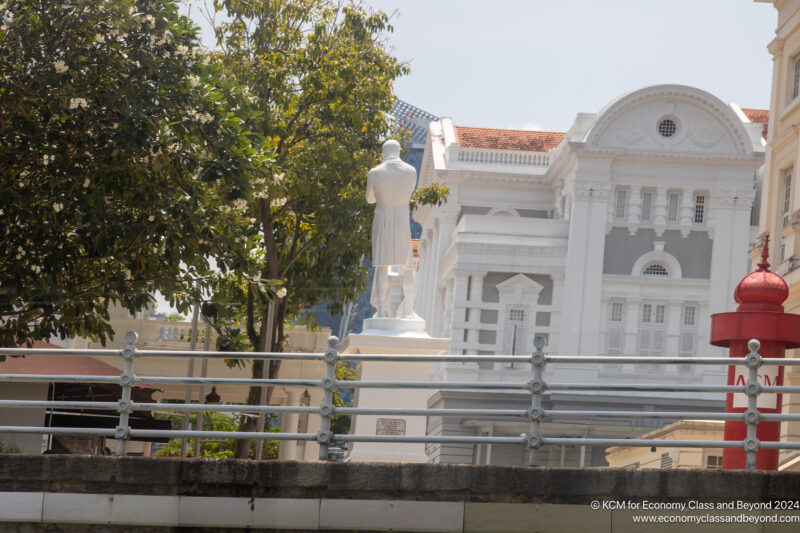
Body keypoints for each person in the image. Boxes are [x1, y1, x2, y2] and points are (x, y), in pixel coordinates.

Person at [366, 140, 417, 318]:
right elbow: (409, 192)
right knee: (407, 266)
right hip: (402, 218)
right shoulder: (411, 171)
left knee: (382, 266)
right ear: (398, 152)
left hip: (383, 218)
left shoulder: (375, 172)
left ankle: (381, 309)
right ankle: (410, 310)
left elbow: (369, 199)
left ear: (383, 152)